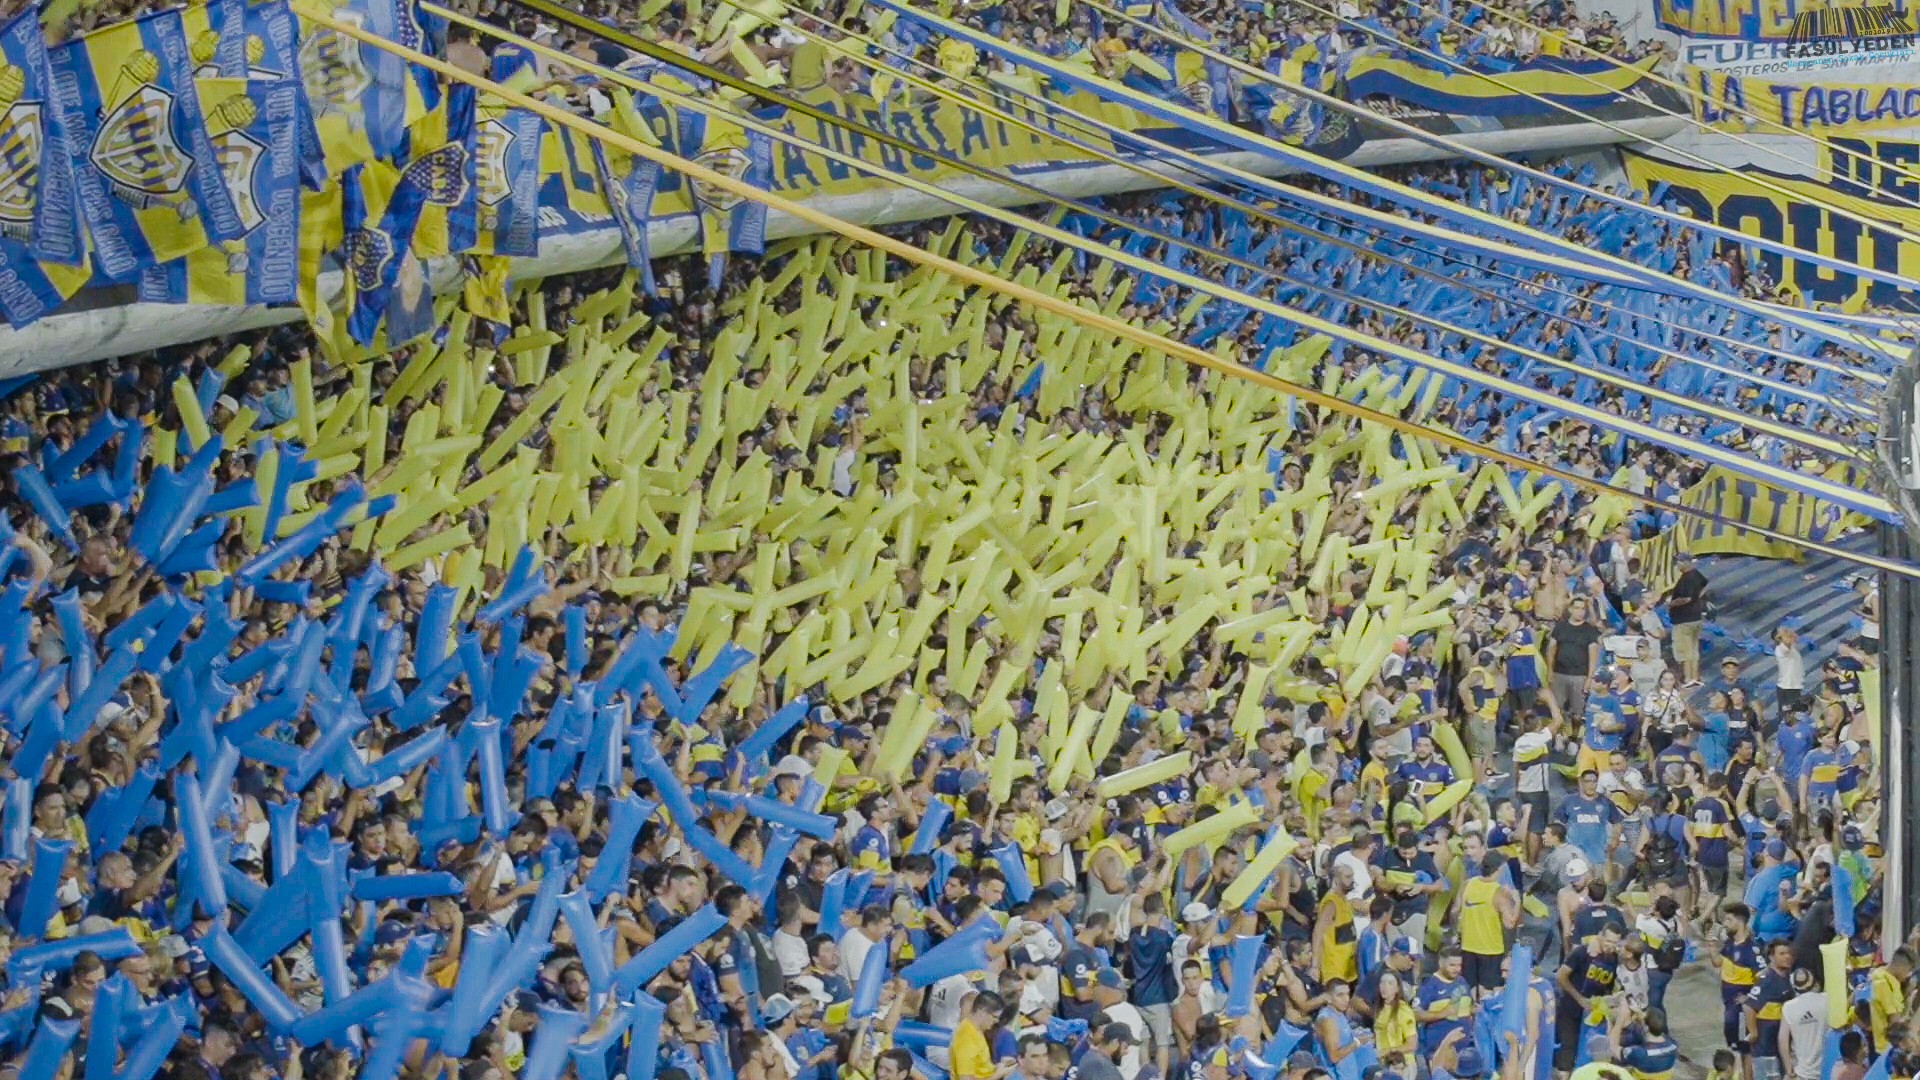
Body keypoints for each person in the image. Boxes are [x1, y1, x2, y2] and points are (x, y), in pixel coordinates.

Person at [1661, 552, 1708, 687]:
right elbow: (1705, 585)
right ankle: (1695, 677)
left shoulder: (1687, 578)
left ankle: (1688, 678)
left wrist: (1671, 604)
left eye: (1679, 562)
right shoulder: (1696, 574)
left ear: (1687, 562)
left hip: (1684, 620)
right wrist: (1697, 598)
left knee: (1684, 650)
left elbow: (1686, 598)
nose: (1677, 564)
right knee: (1693, 649)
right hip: (1696, 617)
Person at [1777, 968, 1827, 1080]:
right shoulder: (1826, 999)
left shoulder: (1788, 1007)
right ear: (1814, 983)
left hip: (1801, 1072)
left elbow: (1782, 1039)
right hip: (1826, 1070)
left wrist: (1789, 1069)